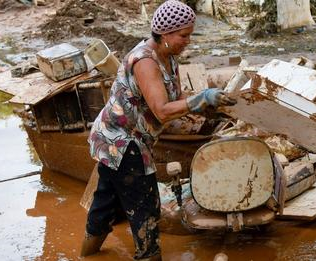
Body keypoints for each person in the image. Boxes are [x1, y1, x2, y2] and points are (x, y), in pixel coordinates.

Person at [80, 1, 236, 260]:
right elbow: (162, 110)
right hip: (123, 141)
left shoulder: (168, 57)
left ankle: (85, 255)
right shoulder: (145, 62)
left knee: (104, 205)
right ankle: (148, 255)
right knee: (146, 213)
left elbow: (174, 96)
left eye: (190, 35)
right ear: (165, 34)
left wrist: (204, 106)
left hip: (115, 138)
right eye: (184, 35)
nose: (189, 41)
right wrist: (201, 99)